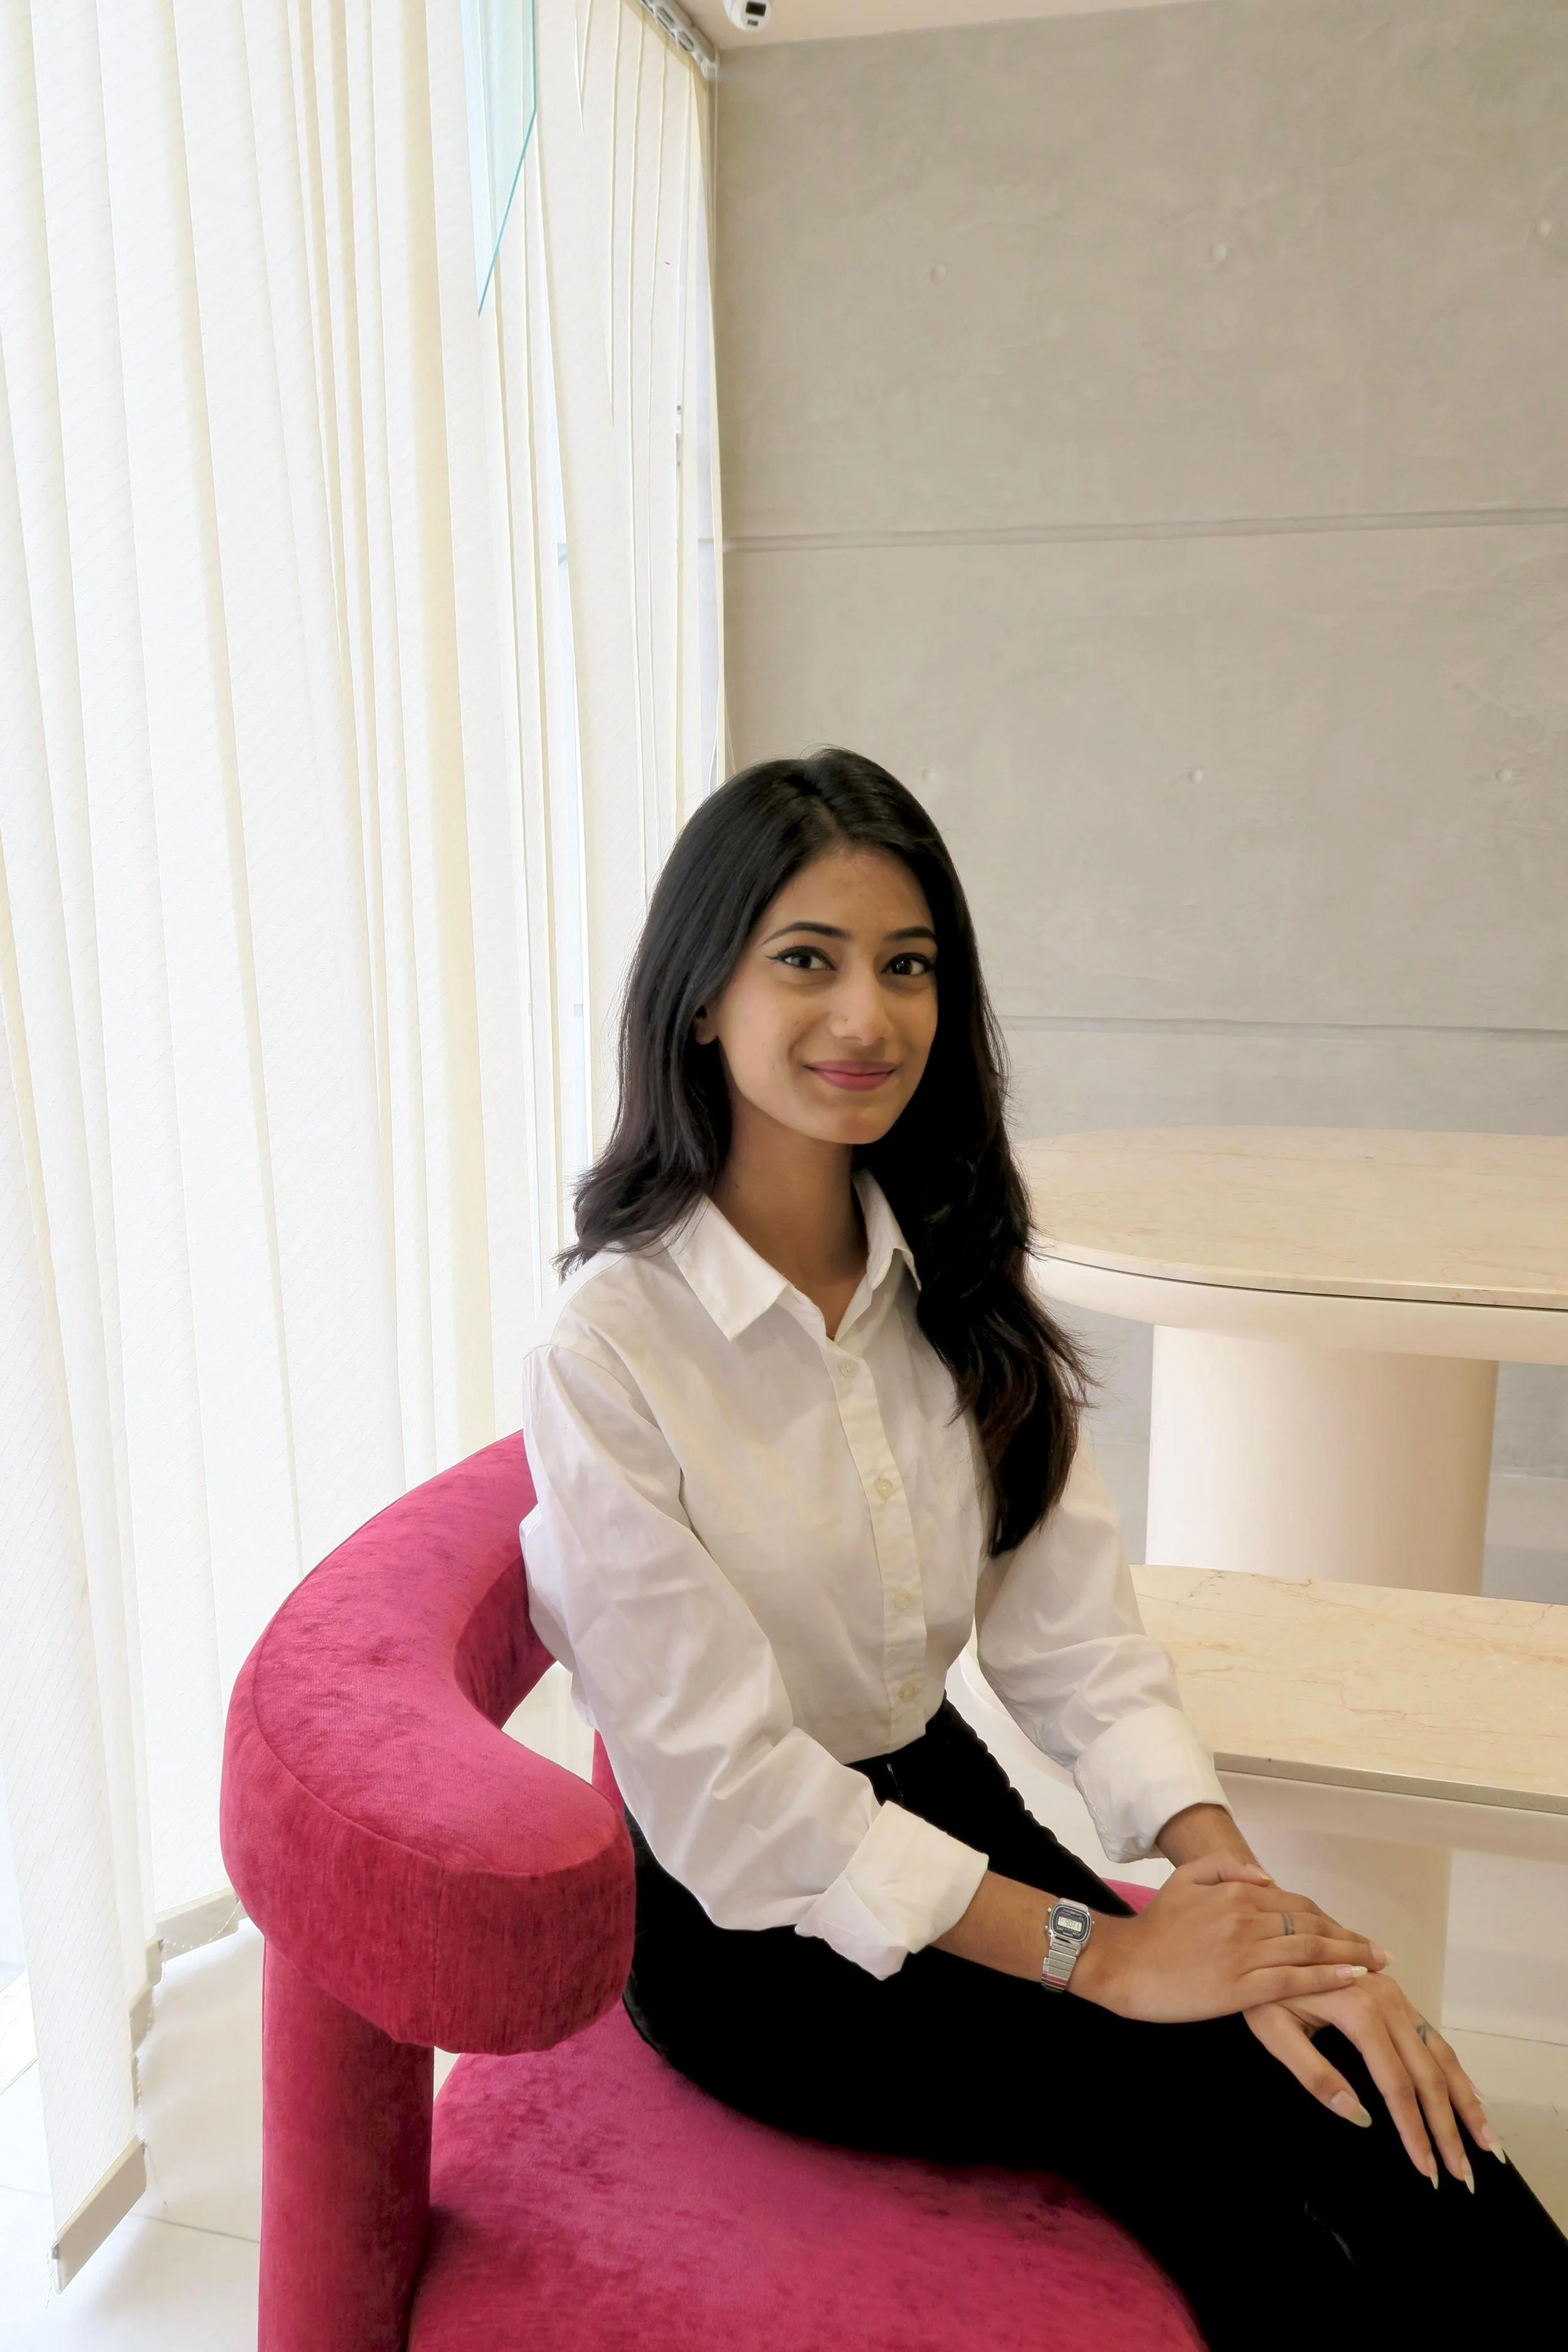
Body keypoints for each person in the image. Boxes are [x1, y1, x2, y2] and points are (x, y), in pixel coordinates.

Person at [519, 748, 1567, 2348]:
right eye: (805, 960)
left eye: (908, 966)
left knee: (1349, 2052)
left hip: (947, 1802)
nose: (866, 1017)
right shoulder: (609, 1348)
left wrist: (1247, 1908)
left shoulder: (959, 1277)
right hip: (747, 1932)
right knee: (1206, 2142)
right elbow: (731, 1801)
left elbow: (1074, 1648)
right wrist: (1101, 1956)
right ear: (698, 1000)